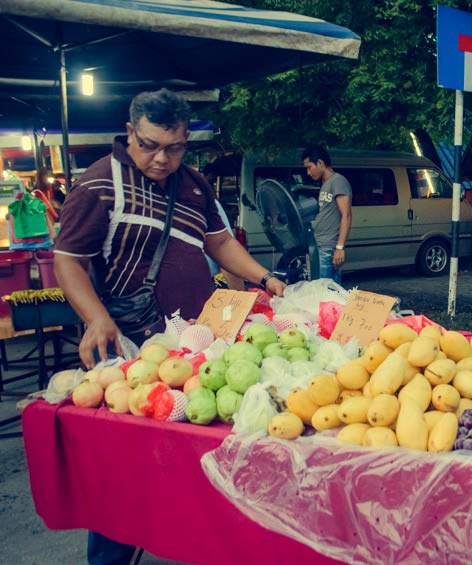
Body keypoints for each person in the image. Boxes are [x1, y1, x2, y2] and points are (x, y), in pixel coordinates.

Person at [53, 89, 286, 564]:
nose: (161, 158)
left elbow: (219, 243)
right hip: (133, 348)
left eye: (174, 147)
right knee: (123, 468)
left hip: (195, 345)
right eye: (150, 145)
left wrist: (264, 277)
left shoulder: (193, 183)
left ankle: (190, 542)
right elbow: (68, 260)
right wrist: (95, 318)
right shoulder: (99, 184)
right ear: (129, 133)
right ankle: (111, 557)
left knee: (190, 452)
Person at [301, 145, 352, 285]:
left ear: (320, 163)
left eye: (309, 167)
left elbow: (346, 215)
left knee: (326, 291)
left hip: (329, 247)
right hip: (320, 245)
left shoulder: (338, 181)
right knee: (323, 291)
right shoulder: (325, 184)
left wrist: (340, 248)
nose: (308, 172)